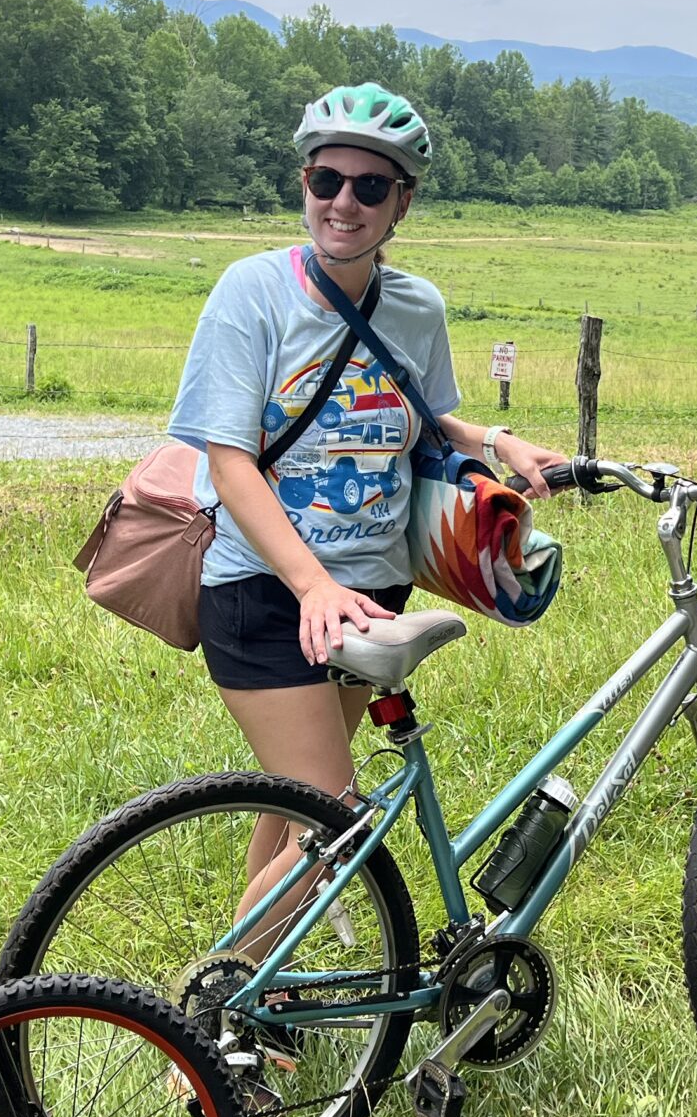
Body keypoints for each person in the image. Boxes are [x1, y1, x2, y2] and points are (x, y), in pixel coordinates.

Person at [167, 84, 571, 844]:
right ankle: (226, 970)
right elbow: (229, 465)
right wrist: (311, 584)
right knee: (337, 825)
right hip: (266, 590)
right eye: (327, 181)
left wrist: (496, 442)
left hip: (372, 588)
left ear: (401, 205)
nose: (343, 203)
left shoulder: (417, 308)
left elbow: (420, 412)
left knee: (300, 807)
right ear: (304, 184)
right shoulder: (251, 294)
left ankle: (245, 967)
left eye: (371, 187)